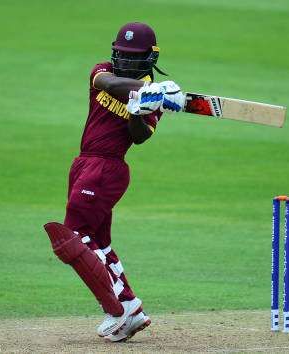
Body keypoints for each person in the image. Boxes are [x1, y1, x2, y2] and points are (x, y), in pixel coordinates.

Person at [43, 22, 185, 342]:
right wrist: (145, 92)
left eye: (133, 56)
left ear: (149, 58)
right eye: (121, 53)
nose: (124, 60)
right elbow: (106, 83)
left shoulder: (154, 95)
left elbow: (139, 137)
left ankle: (118, 312)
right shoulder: (104, 70)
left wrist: (141, 106)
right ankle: (131, 304)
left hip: (107, 168)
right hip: (83, 162)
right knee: (99, 243)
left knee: (73, 237)